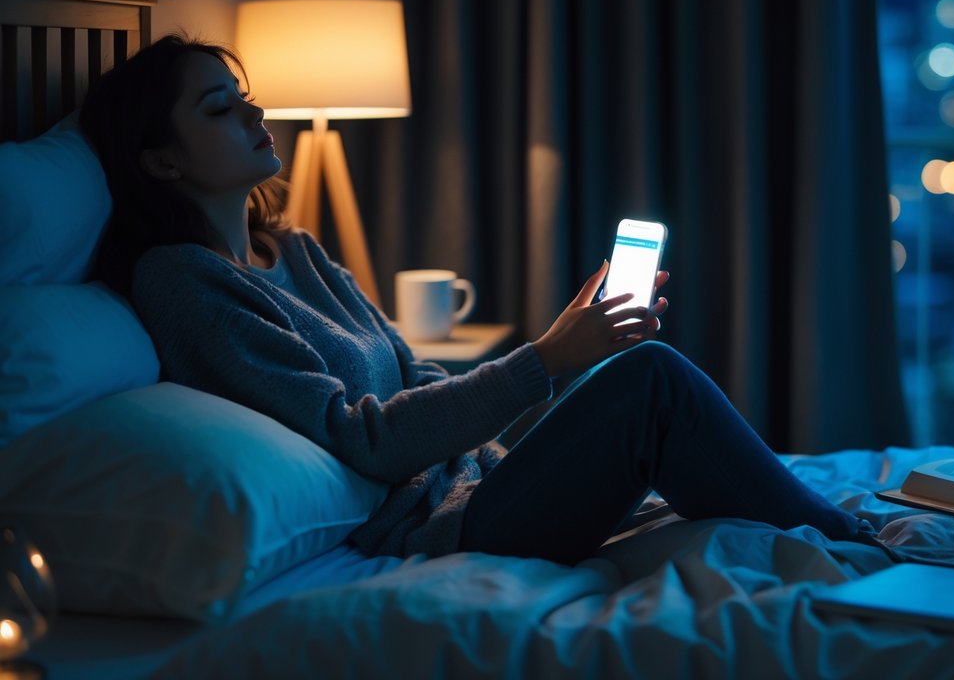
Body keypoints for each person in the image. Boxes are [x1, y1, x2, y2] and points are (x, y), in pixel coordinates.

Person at [81, 35, 870, 566]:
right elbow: (365, 441)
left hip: (486, 477)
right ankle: (861, 546)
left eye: (242, 95)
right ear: (159, 161)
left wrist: (559, 367)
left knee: (639, 392)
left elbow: (414, 375)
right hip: (443, 527)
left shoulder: (296, 250)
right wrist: (547, 358)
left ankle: (843, 534)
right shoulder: (182, 281)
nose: (254, 112)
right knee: (653, 380)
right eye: (219, 108)